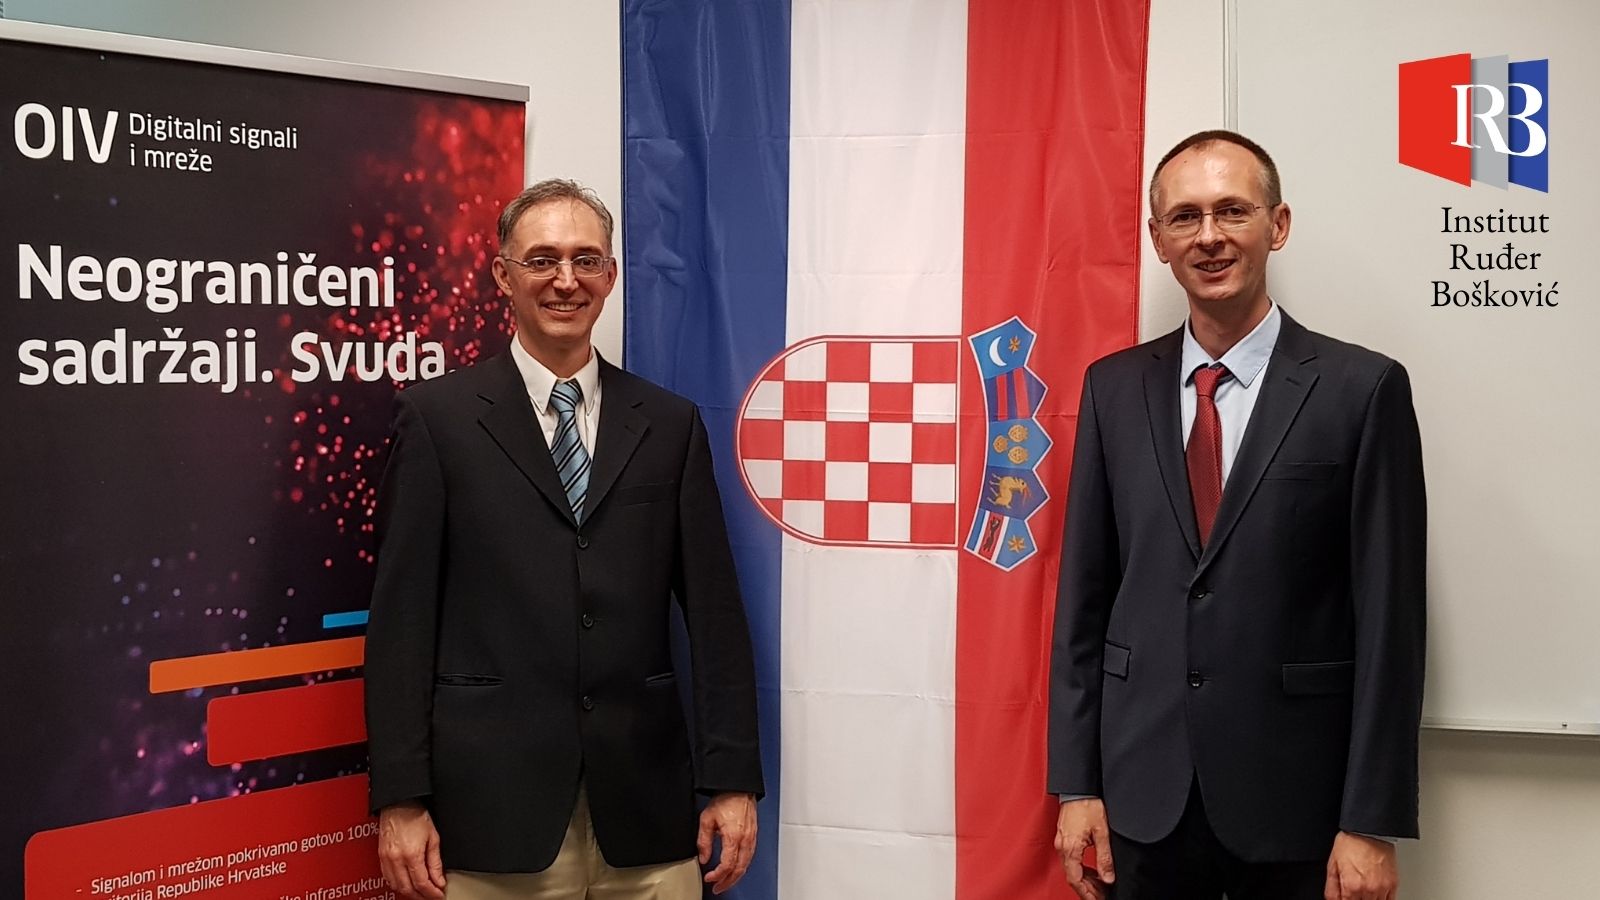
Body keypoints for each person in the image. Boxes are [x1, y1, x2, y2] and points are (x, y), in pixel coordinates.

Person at [1047, 131, 1425, 900]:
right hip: (1141, 801)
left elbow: (1392, 623)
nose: (1209, 236)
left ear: (1277, 225)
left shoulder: (1362, 390)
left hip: (1300, 807)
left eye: (1232, 211)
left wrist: (1372, 818)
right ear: (1158, 239)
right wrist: (1076, 784)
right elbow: (1085, 600)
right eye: (1185, 217)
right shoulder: (1112, 389)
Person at [364, 179, 764, 900]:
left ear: (610, 275)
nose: (565, 280)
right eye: (542, 259)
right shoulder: (436, 420)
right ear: (503, 275)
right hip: (489, 813)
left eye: (586, 259)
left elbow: (715, 616)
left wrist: (732, 780)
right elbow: (401, 624)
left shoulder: (669, 425)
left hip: (646, 811)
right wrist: (400, 798)